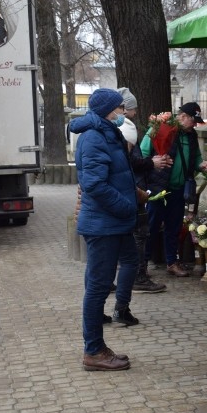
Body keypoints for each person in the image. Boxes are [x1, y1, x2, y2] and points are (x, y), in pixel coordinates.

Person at [70, 88, 146, 371]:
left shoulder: (106, 132)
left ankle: (99, 346)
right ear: (107, 111)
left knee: (129, 260)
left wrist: (134, 193)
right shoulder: (93, 137)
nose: (122, 113)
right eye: (118, 108)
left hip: (114, 222)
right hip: (104, 224)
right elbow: (95, 185)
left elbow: (115, 175)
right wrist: (126, 206)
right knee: (98, 287)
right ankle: (93, 351)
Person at [140, 101, 207, 278]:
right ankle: (142, 264)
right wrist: (154, 162)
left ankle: (172, 262)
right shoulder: (162, 129)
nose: (195, 125)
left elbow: (197, 158)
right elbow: (143, 153)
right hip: (159, 187)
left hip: (178, 189)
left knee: (174, 227)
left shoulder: (191, 135)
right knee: (152, 226)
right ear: (184, 117)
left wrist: (204, 165)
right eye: (194, 120)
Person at [117, 87, 169, 294]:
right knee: (139, 234)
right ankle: (138, 276)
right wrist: (151, 163)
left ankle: (132, 276)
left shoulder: (123, 128)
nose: (136, 111)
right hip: (134, 190)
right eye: (133, 108)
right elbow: (131, 161)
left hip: (135, 188)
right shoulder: (123, 130)